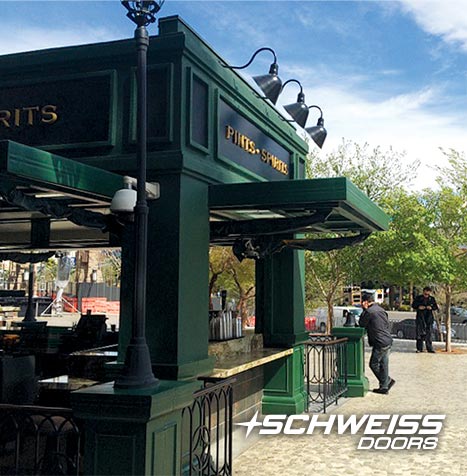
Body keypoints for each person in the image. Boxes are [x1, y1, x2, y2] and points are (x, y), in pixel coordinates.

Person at [359, 292, 395, 394]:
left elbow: (361, 324)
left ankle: (387, 381)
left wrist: (364, 310)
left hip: (379, 341)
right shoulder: (381, 310)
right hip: (387, 340)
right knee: (384, 363)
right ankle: (384, 387)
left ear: (365, 302)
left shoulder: (369, 312)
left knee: (373, 364)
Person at [411, 286, 439, 353]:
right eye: (425, 293)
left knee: (428, 334)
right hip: (420, 319)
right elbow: (413, 305)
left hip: (429, 319)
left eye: (428, 294)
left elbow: (435, 307)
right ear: (423, 292)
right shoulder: (418, 298)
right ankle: (419, 348)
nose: (426, 295)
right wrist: (419, 307)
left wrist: (431, 307)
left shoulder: (431, 299)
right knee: (419, 334)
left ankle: (429, 348)